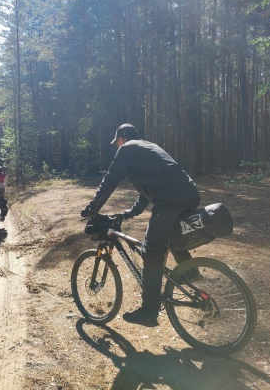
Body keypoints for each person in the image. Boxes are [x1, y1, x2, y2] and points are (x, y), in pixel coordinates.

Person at [81, 124, 201, 327]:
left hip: (170, 202)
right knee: (170, 237)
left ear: (122, 138)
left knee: (151, 252)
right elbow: (148, 190)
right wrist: (130, 213)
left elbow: (110, 180)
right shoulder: (148, 147)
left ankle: (149, 312)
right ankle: (190, 273)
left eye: (117, 142)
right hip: (189, 195)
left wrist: (92, 209)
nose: (117, 145)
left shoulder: (126, 150)